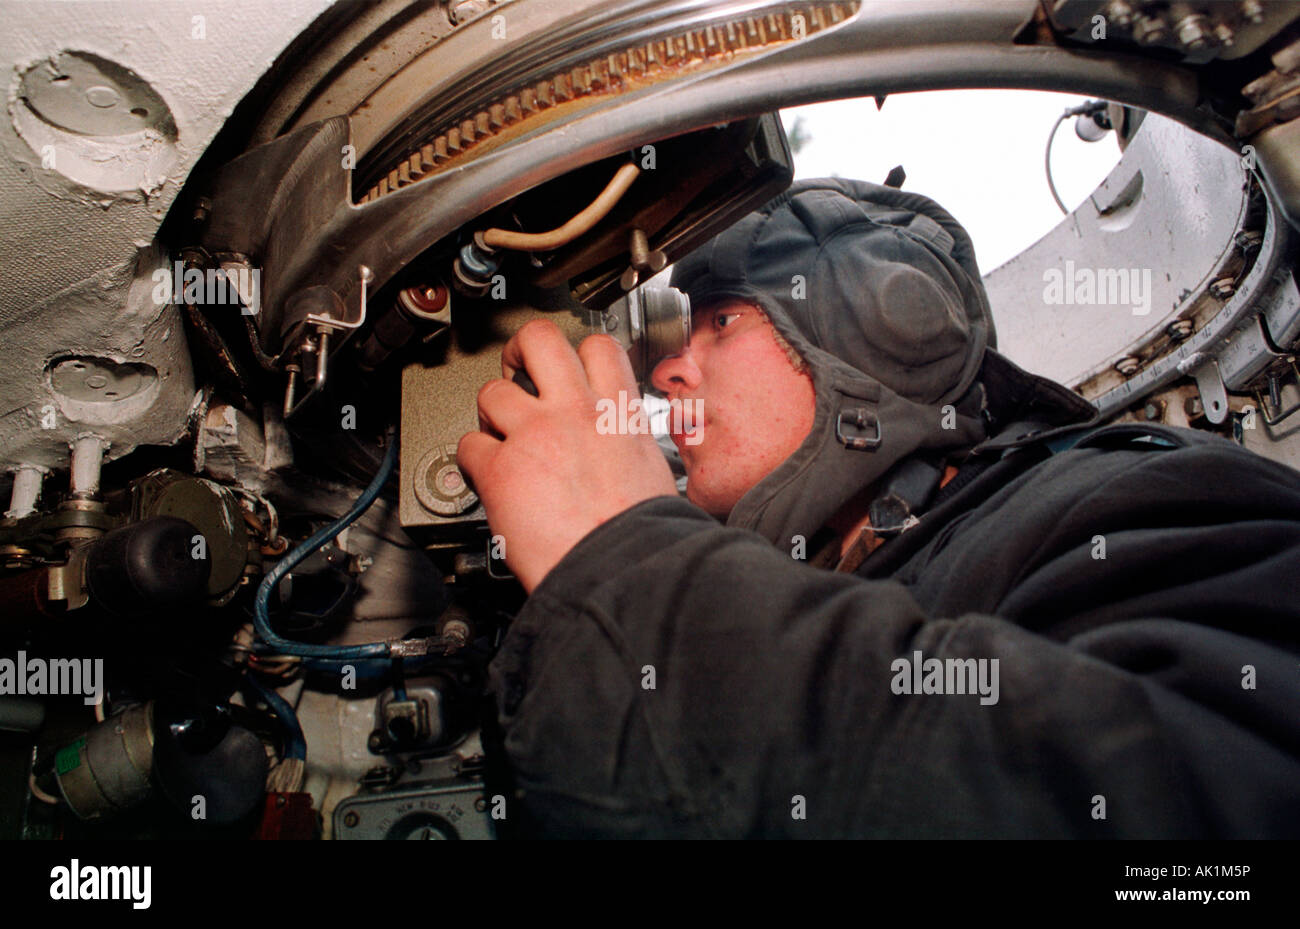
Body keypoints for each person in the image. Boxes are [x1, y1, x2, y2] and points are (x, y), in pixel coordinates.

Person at [455, 177, 1300, 838]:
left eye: (721, 322)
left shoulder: (1135, 497)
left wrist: (628, 572)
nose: (668, 372)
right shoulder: (820, 579)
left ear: (883, 329)